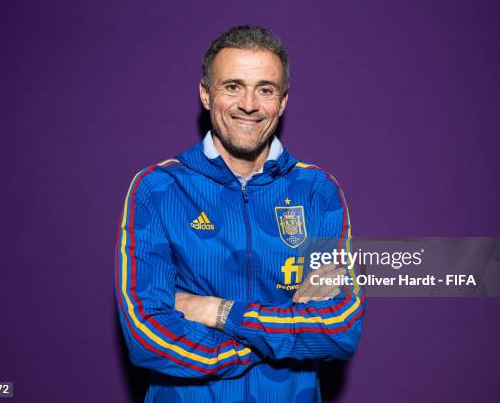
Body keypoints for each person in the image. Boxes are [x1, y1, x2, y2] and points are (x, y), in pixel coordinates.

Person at [115, 25, 365, 403]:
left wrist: (217, 311)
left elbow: (338, 329)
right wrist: (278, 338)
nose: (249, 104)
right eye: (232, 86)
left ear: (281, 103)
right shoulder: (158, 189)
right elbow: (147, 337)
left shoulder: (318, 192)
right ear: (205, 94)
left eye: (265, 89)